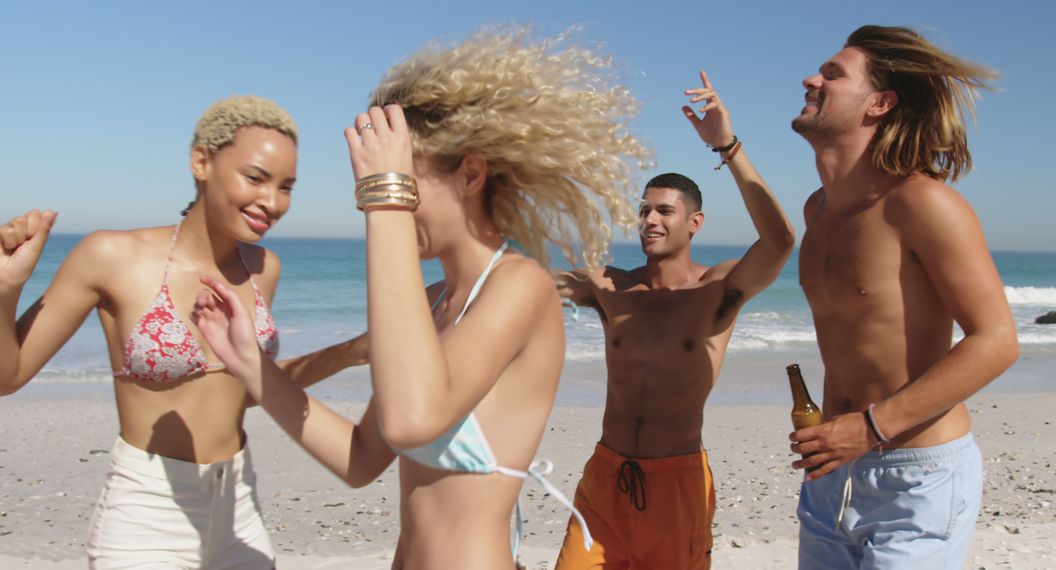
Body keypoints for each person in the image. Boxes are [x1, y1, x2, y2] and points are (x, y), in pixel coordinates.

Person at [191, 29, 651, 569]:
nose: (389, 199)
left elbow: (414, 420)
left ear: (470, 174)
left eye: (405, 183)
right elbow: (361, 459)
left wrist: (383, 198)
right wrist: (253, 367)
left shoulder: (521, 287)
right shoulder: (434, 304)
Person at [0, 96, 368, 569]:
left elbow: (252, 387)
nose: (273, 202)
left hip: (239, 503)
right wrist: (8, 289)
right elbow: (8, 376)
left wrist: (351, 352)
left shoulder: (263, 268)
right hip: (146, 511)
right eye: (255, 178)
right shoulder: (112, 255)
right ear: (201, 161)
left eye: (286, 187)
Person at [788, 25, 1019, 569]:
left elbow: (998, 340)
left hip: (917, 476)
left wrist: (870, 428)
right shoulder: (816, 212)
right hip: (830, 475)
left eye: (832, 74)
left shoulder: (922, 204)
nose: (811, 79)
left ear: (879, 103)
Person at [554, 71, 795, 569]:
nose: (649, 221)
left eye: (664, 210)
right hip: (605, 473)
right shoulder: (608, 286)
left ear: (694, 222)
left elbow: (779, 240)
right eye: (643, 210)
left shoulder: (717, 290)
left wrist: (726, 146)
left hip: (677, 481)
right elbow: (513, 281)